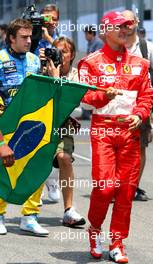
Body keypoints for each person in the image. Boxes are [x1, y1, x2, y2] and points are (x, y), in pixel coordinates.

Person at [78, 11, 153, 263]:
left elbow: (146, 96)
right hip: (103, 131)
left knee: (125, 191)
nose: (125, 31)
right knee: (105, 187)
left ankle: (117, 242)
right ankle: (95, 230)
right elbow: (85, 97)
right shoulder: (90, 62)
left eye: (128, 27)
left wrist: (140, 115)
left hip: (130, 131)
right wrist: (104, 96)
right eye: (119, 27)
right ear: (105, 30)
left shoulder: (141, 64)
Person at [0, 18, 48, 236]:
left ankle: (29, 216)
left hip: (29, 124)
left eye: (30, 37)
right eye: (24, 37)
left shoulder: (34, 60)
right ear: (11, 38)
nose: (29, 41)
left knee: (36, 164)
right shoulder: (0, 59)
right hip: (5, 123)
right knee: (4, 168)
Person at [122, 10, 153, 201]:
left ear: (136, 23)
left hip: (142, 105)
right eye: (124, 23)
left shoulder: (146, 47)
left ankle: (133, 187)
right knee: (119, 147)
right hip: (118, 105)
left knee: (140, 147)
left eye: (130, 22)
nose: (127, 25)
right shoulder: (115, 45)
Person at [39, 36, 86, 227]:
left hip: (62, 126)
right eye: (56, 51)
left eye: (64, 51)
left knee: (65, 158)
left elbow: (74, 105)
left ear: (72, 55)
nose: (60, 55)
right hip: (41, 126)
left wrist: (56, 79)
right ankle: (28, 211)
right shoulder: (41, 71)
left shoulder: (76, 76)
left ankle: (68, 210)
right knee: (36, 162)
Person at [35, 3, 61, 203]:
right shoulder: (31, 36)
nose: (48, 22)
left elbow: (65, 56)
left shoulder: (58, 38)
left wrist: (49, 40)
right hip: (33, 93)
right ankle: (37, 186)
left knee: (51, 146)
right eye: (44, 18)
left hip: (53, 94)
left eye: (51, 18)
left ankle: (51, 184)